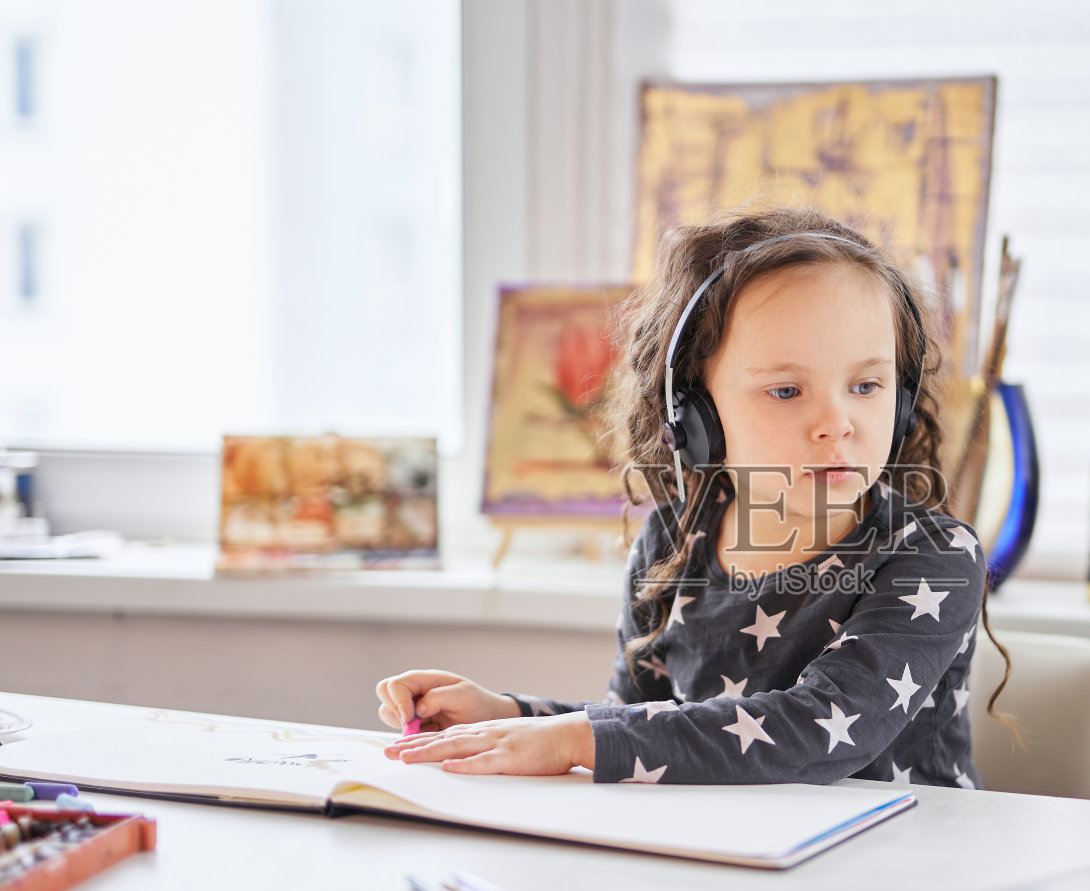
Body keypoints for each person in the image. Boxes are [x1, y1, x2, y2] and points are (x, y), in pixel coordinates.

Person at [376, 206, 1011, 786]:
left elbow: (821, 727)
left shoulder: (932, 557)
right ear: (696, 417)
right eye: (786, 391)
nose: (837, 423)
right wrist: (511, 715)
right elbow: (644, 723)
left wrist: (571, 739)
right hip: (728, 861)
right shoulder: (671, 544)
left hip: (901, 869)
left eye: (867, 386)